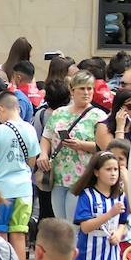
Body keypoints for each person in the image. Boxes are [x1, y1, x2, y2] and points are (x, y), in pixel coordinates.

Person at [38, 72, 104, 227]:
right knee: (62, 223)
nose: (86, 93)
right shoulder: (59, 113)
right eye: (82, 88)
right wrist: (43, 154)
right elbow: (47, 136)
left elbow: (103, 147)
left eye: (90, 88)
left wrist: (81, 145)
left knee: (74, 223)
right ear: (72, 90)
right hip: (58, 175)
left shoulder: (98, 116)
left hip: (82, 178)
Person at [0, 91, 40, 260]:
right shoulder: (30, 129)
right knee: (19, 234)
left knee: (0, 233)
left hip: (1, 190)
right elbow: (32, 161)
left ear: (1, 109)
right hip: (24, 189)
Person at [70, 151, 129, 260]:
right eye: (108, 169)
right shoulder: (87, 195)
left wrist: (119, 234)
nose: (113, 173)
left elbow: (124, 222)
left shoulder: (121, 196)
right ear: (96, 172)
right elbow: (85, 227)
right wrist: (110, 214)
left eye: (116, 169)